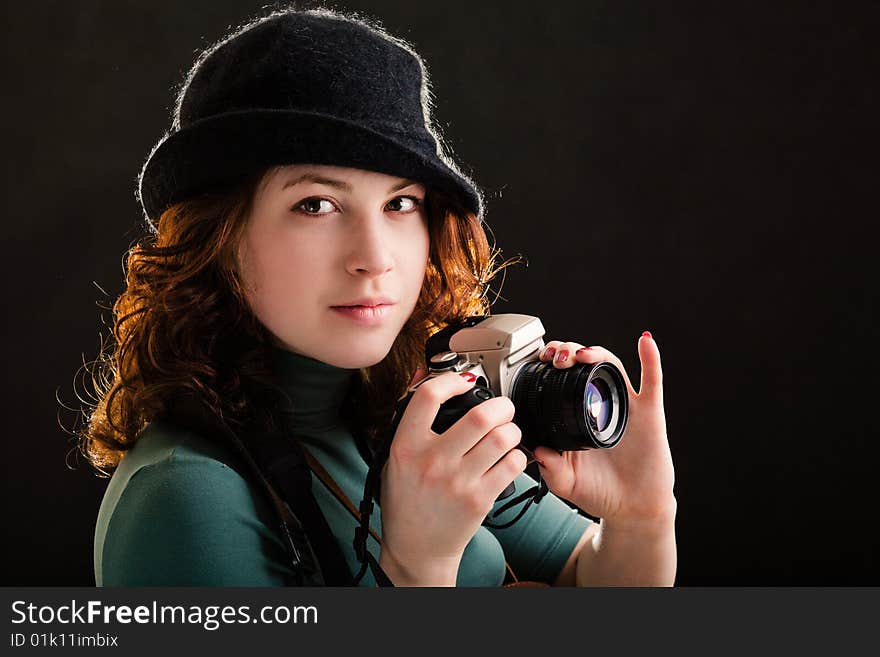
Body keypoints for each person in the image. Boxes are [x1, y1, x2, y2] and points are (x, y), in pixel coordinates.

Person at [83, 6, 676, 587]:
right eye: (316, 204)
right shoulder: (184, 497)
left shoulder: (411, 415)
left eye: (401, 204)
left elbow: (588, 575)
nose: (375, 256)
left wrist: (640, 515)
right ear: (218, 240)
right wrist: (416, 570)